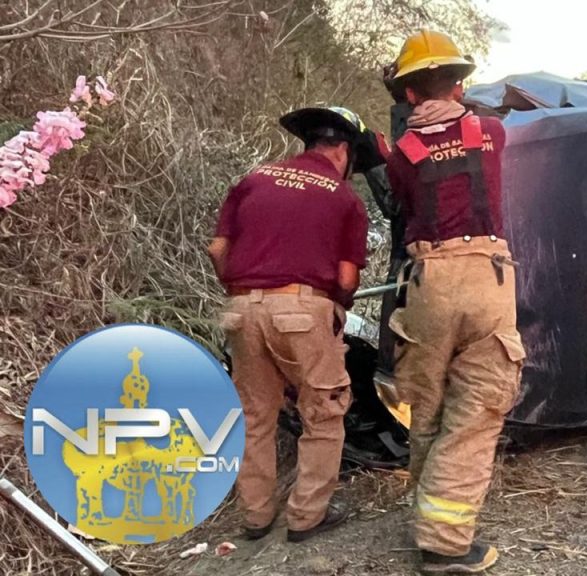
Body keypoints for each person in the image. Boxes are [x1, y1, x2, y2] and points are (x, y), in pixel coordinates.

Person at [385, 29, 525, 574]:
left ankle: (427, 518)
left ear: (408, 94)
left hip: (429, 281)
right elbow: (471, 131)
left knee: (428, 406)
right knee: (476, 412)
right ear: (461, 84)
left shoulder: (402, 153)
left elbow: (405, 200)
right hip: (486, 277)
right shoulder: (491, 131)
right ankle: (444, 543)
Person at [207, 106, 372, 543]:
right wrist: (335, 309)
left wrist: (241, 291)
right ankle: (306, 516)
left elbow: (217, 249)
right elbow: (346, 279)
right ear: (343, 150)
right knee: (323, 410)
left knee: (254, 414)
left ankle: (256, 515)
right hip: (302, 310)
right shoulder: (343, 197)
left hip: (242, 308)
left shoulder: (253, 179)